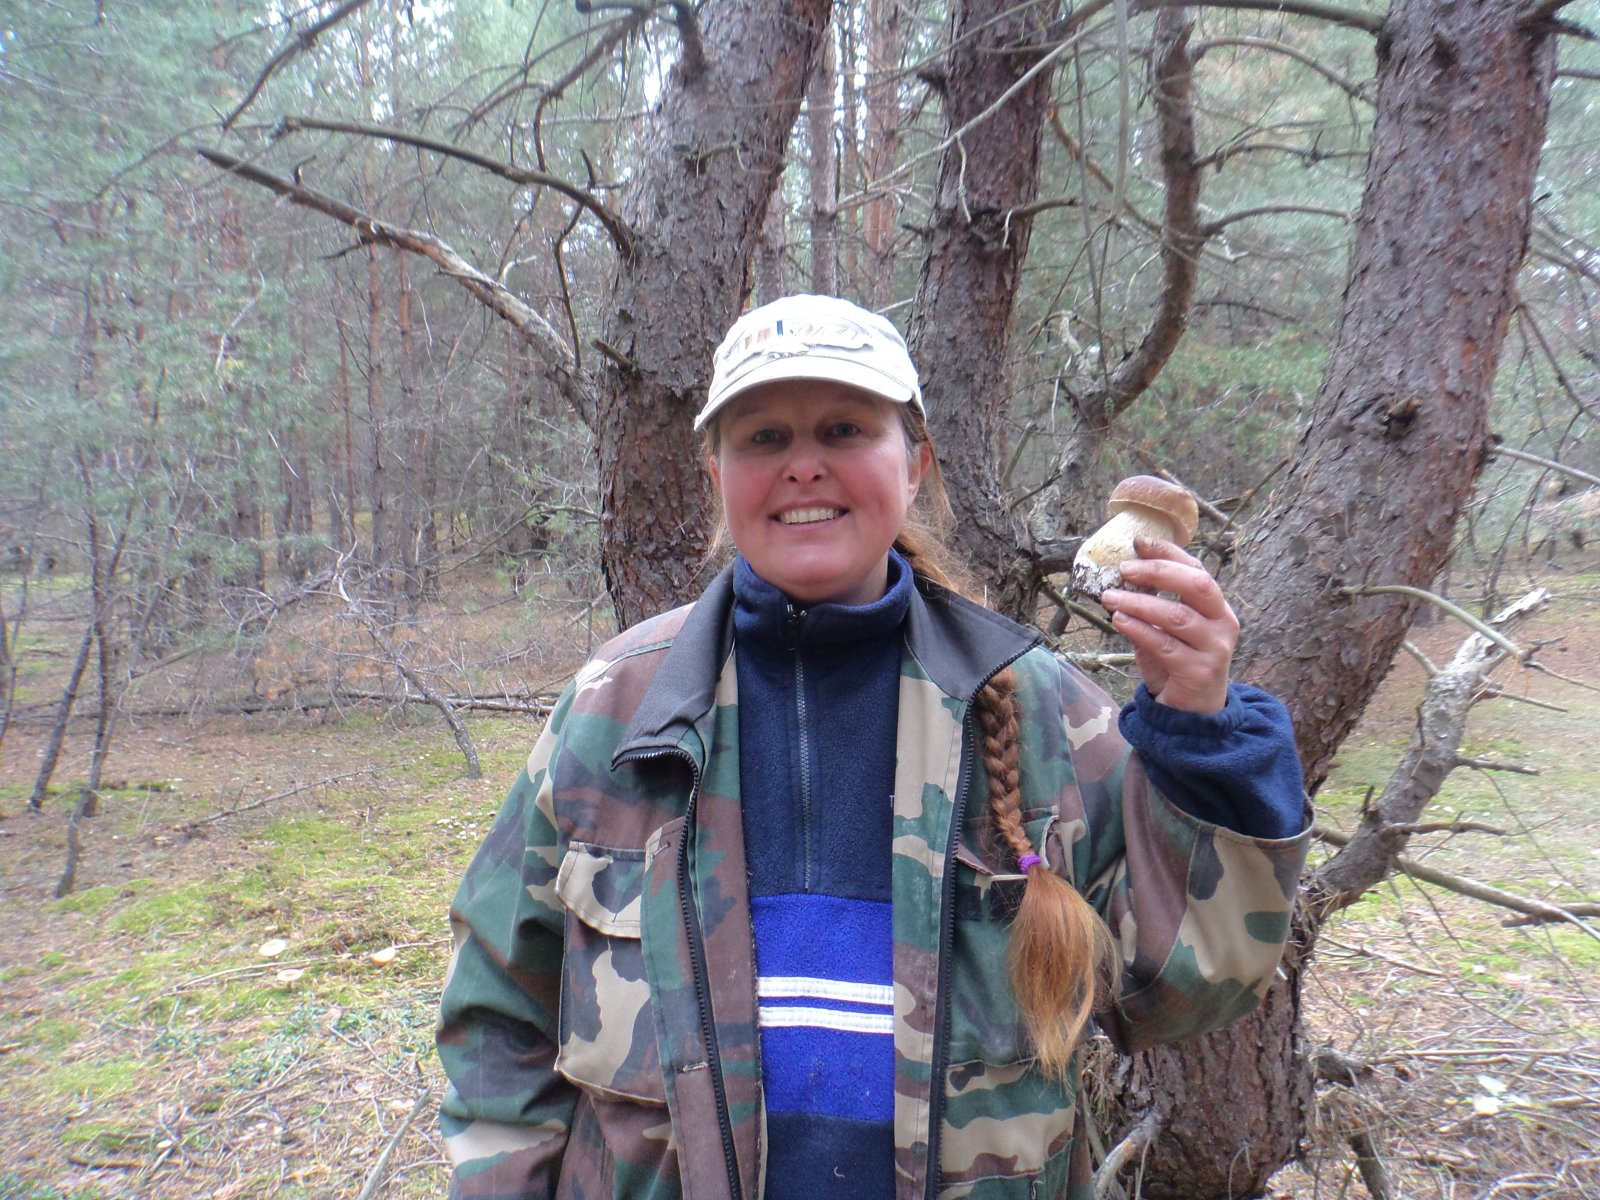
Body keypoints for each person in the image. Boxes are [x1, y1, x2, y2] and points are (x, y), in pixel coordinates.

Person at [436, 294, 1310, 1200]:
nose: (803, 465)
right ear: (716, 475)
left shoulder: (1039, 710)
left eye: (844, 429)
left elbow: (1183, 989)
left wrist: (1202, 729)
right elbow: (498, 1012)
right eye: (764, 438)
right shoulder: (615, 712)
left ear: (915, 464)